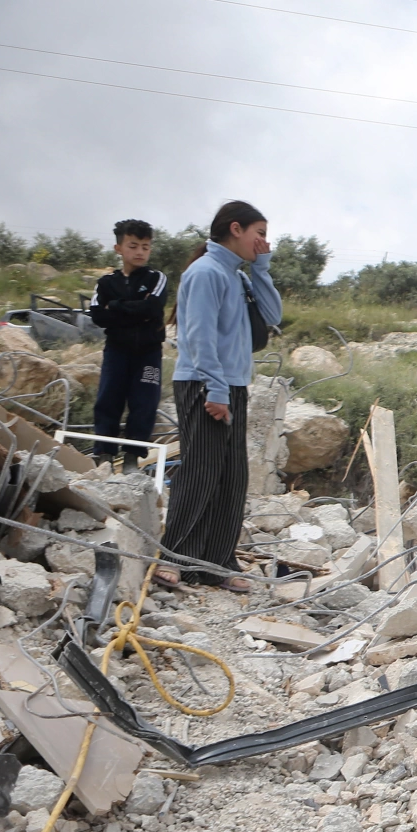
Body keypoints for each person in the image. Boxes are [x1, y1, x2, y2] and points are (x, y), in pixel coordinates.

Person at [159, 201, 280, 592]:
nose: (263, 241)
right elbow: (198, 336)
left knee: (232, 475)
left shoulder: (239, 276)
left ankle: (216, 563)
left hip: (233, 383)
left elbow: (272, 316)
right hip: (203, 383)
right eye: (258, 233)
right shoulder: (206, 272)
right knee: (201, 469)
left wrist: (261, 269)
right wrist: (214, 388)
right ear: (235, 229)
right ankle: (174, 558)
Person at [88, 218, 168, 469]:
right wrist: (135, 310)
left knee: (144, 402)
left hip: (149, 352)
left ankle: (132, 457)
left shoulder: (157, 278)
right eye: (133, 246)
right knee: (108, 399)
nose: (140, 252)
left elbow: (153, 307)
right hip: (116, 350)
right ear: (119, 248)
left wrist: (117, 306)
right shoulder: (105, 282)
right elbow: (98, 315)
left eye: (145, 246)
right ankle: (104, 456)